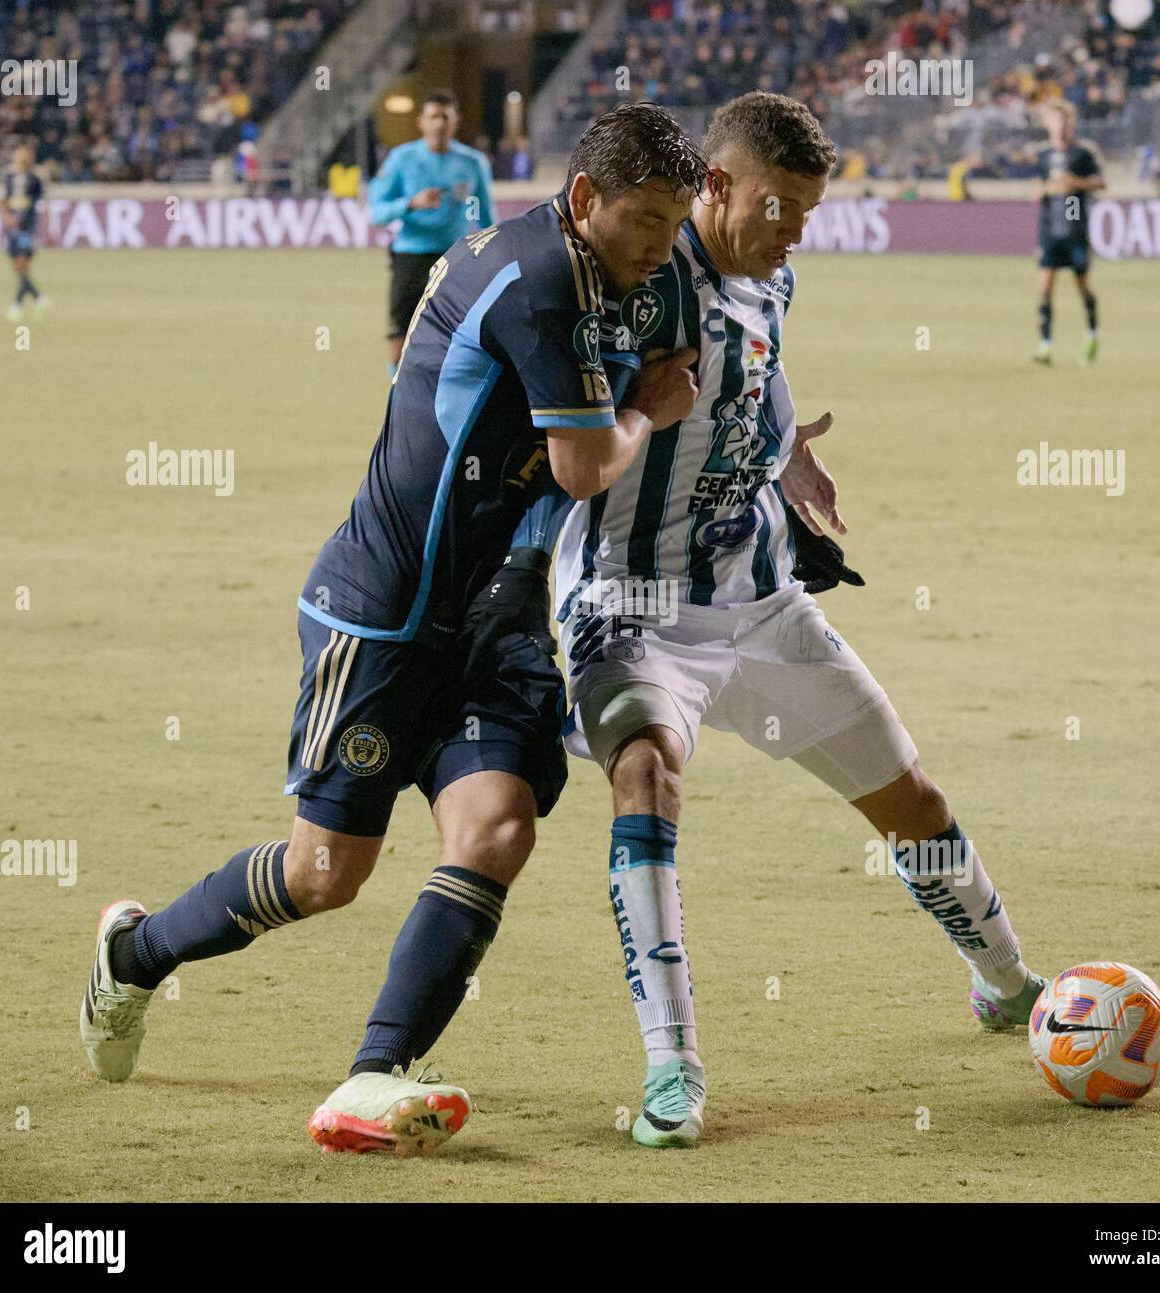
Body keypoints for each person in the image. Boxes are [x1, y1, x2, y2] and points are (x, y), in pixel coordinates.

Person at [80, 104, 707, 1157]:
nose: (660, 242)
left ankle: (374, 1076)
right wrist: (650, 410)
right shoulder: (536, 279)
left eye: (675, 219)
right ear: (587, 199)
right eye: (645, 218)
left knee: (498, 829)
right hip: (384, 613)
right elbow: (585, 464)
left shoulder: (621, 273)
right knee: (327, 876)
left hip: (493, 616)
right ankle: (133, 955)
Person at [555, 93, 1047, 1148]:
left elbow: (763, 376)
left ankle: (1005, 984)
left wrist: (789, 451)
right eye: (778, 208)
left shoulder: (773, 275)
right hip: (630, 606)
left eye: (808, 215)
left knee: (909, 800)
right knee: (646, 780)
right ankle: (673, 1068)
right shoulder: (637, 282)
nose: (792, 233)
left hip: (762, 602)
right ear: (715, 186)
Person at [368, 90, 495, 373]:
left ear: (455, 121)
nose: (439, 123)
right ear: (421, 122)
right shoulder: (401, 159)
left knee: (460, 335)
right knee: (400, 335)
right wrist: (411, 203)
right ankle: (397, 392)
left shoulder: (473, 163)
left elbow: (486, 216)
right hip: (410, 257)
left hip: (457, 259)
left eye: (445, 117)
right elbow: (376, 212)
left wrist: (496, 256)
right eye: (433, 117)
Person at [1033, 100, 1105, 365]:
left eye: (1063, 122)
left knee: (1082, 285)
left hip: (1074, 224)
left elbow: (1101, 182)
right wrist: (1041, 190)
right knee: (1045, 288)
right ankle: (1045, 345)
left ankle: (1091, 333)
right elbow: (1036, 185)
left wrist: (1076, 183)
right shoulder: (1043, 155)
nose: (1059, 127)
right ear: (1047, 124)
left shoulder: (1081, 154)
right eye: (1054, 121)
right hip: (1050, 228)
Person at [2, 145, 50, 322]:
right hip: (12, 228)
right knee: (18, 268)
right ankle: (39, 299)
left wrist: (46, 227)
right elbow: (3, 200)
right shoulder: (9, 177)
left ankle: (16, 305)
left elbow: (43, 203)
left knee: (22, 265)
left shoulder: (35, 179)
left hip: (27, 227)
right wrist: (6, 216)